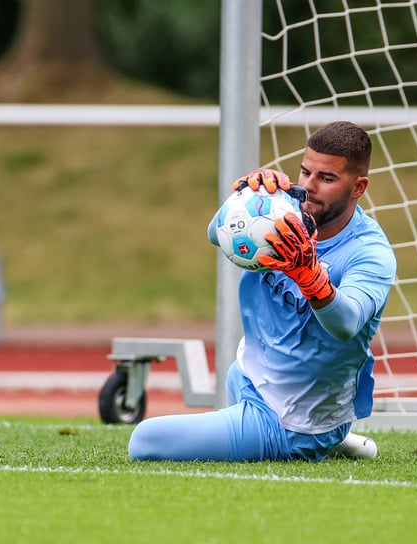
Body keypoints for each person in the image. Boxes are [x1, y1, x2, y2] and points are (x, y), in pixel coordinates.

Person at [128, 121, 396, 462]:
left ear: (359, 187)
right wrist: (246, 201)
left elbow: (347, 323)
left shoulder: (370, 252)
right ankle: (335, 438)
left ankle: (321, 437)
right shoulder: (283, 211)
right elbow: (215, 234)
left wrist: (310, 276)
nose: (309, 188)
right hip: (249, 377)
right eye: (305, 173)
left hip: (289, 421)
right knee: (233, 373)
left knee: (145, 440)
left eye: (326, 179)